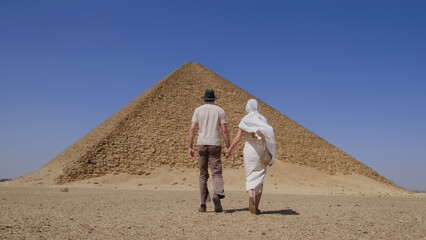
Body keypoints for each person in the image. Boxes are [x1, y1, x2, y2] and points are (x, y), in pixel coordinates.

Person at [225, 99, 276, 214]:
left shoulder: (245, 120)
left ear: (248, 107)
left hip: (249, 150)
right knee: (260, 178)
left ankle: (250, 194)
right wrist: (272, 155)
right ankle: (256, 207)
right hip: (260, 150)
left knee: (250, 175)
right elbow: (269, 138)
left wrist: (229, 150)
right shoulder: (263, 119)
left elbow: (238, 138)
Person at [189, 89, 230, 213]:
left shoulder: (198, 110)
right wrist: (228, 146)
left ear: (204, 99)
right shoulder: (220, 110)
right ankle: (217, 194)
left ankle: (203, 205)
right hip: (215, 144)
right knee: (216, 172)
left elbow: (192, 129)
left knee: (203, 175)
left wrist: (190, 147)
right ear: (214, 99)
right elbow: (224, 130)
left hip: (201, 143)